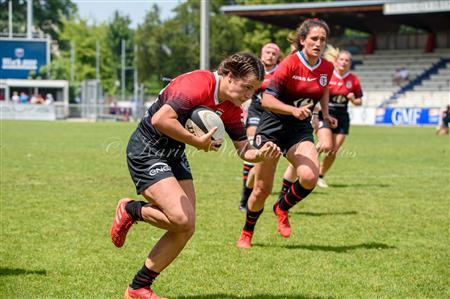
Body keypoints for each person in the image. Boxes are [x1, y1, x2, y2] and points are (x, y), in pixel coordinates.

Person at [110, 52, 281, 299]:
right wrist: (195, 141)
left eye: (254, 91)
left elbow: (244, 149)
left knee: (186, 227)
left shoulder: (232, 108)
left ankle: (138, 287)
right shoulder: (197, 84)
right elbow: (160, 119)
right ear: (230, 76)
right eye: (247, 88)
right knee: (180, 219)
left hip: (174, 153)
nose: (249, 96)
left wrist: (261, 154)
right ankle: (131, 210)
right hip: (147, 149)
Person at [236, 18, 337, 249]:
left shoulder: (326, 68)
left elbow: (322, 89)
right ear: (302, 40)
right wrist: (293, 109)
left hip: (299, 129)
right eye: (314, 38)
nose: (318, 43)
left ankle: (282, 207)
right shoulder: (290, 64)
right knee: (261, 189)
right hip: (271, 128)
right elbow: (268, 100)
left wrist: (326, 112)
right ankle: (247, 232)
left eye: (322, 39)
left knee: (310, 177)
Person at [239, 42, 283, 211]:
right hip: (257, 113)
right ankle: (245, 196)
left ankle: (248, 193)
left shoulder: (281, 72)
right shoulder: (254, 70)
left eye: (274, 53)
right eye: (267, 52)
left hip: (273, 116)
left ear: (278, 57)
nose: (270, 55)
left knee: (260, 161)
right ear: (261, 54)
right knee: (252, 149)